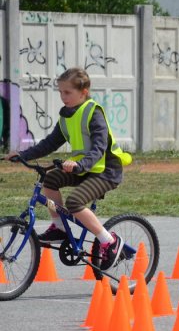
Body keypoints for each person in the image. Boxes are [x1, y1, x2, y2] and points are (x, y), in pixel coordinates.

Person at [4, 67, 132, 269]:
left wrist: (80, 165)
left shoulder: (93, 113)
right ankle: (60, 228)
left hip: (105, 171)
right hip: (82, 169)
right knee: (50, 179)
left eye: (67, 92)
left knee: (74, 201)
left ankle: (109, 241)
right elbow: (49, 143)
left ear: (84, 92)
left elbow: (99, 148)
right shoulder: (66, 116)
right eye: (60, 92)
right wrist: (23, 155)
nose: (63, 97)